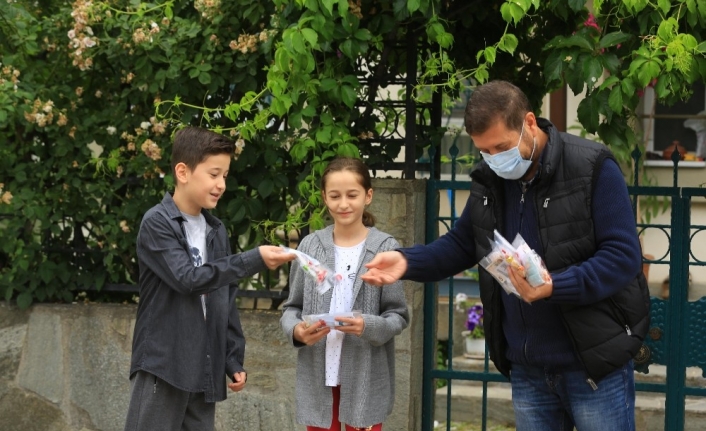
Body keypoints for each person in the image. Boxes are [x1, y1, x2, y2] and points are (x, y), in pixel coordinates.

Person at [361, 81, 650, 431]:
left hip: (591, 363)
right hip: (528, 368)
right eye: (485, 151)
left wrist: (554, 286)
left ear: (529, 122)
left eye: (501, 147)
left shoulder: (591, 167)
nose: (496, 160)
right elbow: (464, 243)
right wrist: (407, 262)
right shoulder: (490, 179)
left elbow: (622, 257)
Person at [124, 126, 295, 431]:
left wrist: (231, 358)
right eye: (214, 174)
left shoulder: (216, 230)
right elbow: (188, 279)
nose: (221, 185)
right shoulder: (157, 223)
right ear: (183, 171)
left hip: (204, 369)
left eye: (225, 176)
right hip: (164, 366)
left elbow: (223, 297)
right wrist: (252, 259)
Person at [280, 157, 409, 431]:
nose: (344, 204)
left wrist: (368, 325)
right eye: (335, 196)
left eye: (352, 195)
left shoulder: (386, 248)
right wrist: (297, 331)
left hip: (365, 378)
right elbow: (291, 308)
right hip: (318, 379)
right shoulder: (310, 245)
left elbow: (398, 316)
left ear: (368, 196)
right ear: (325, 198)